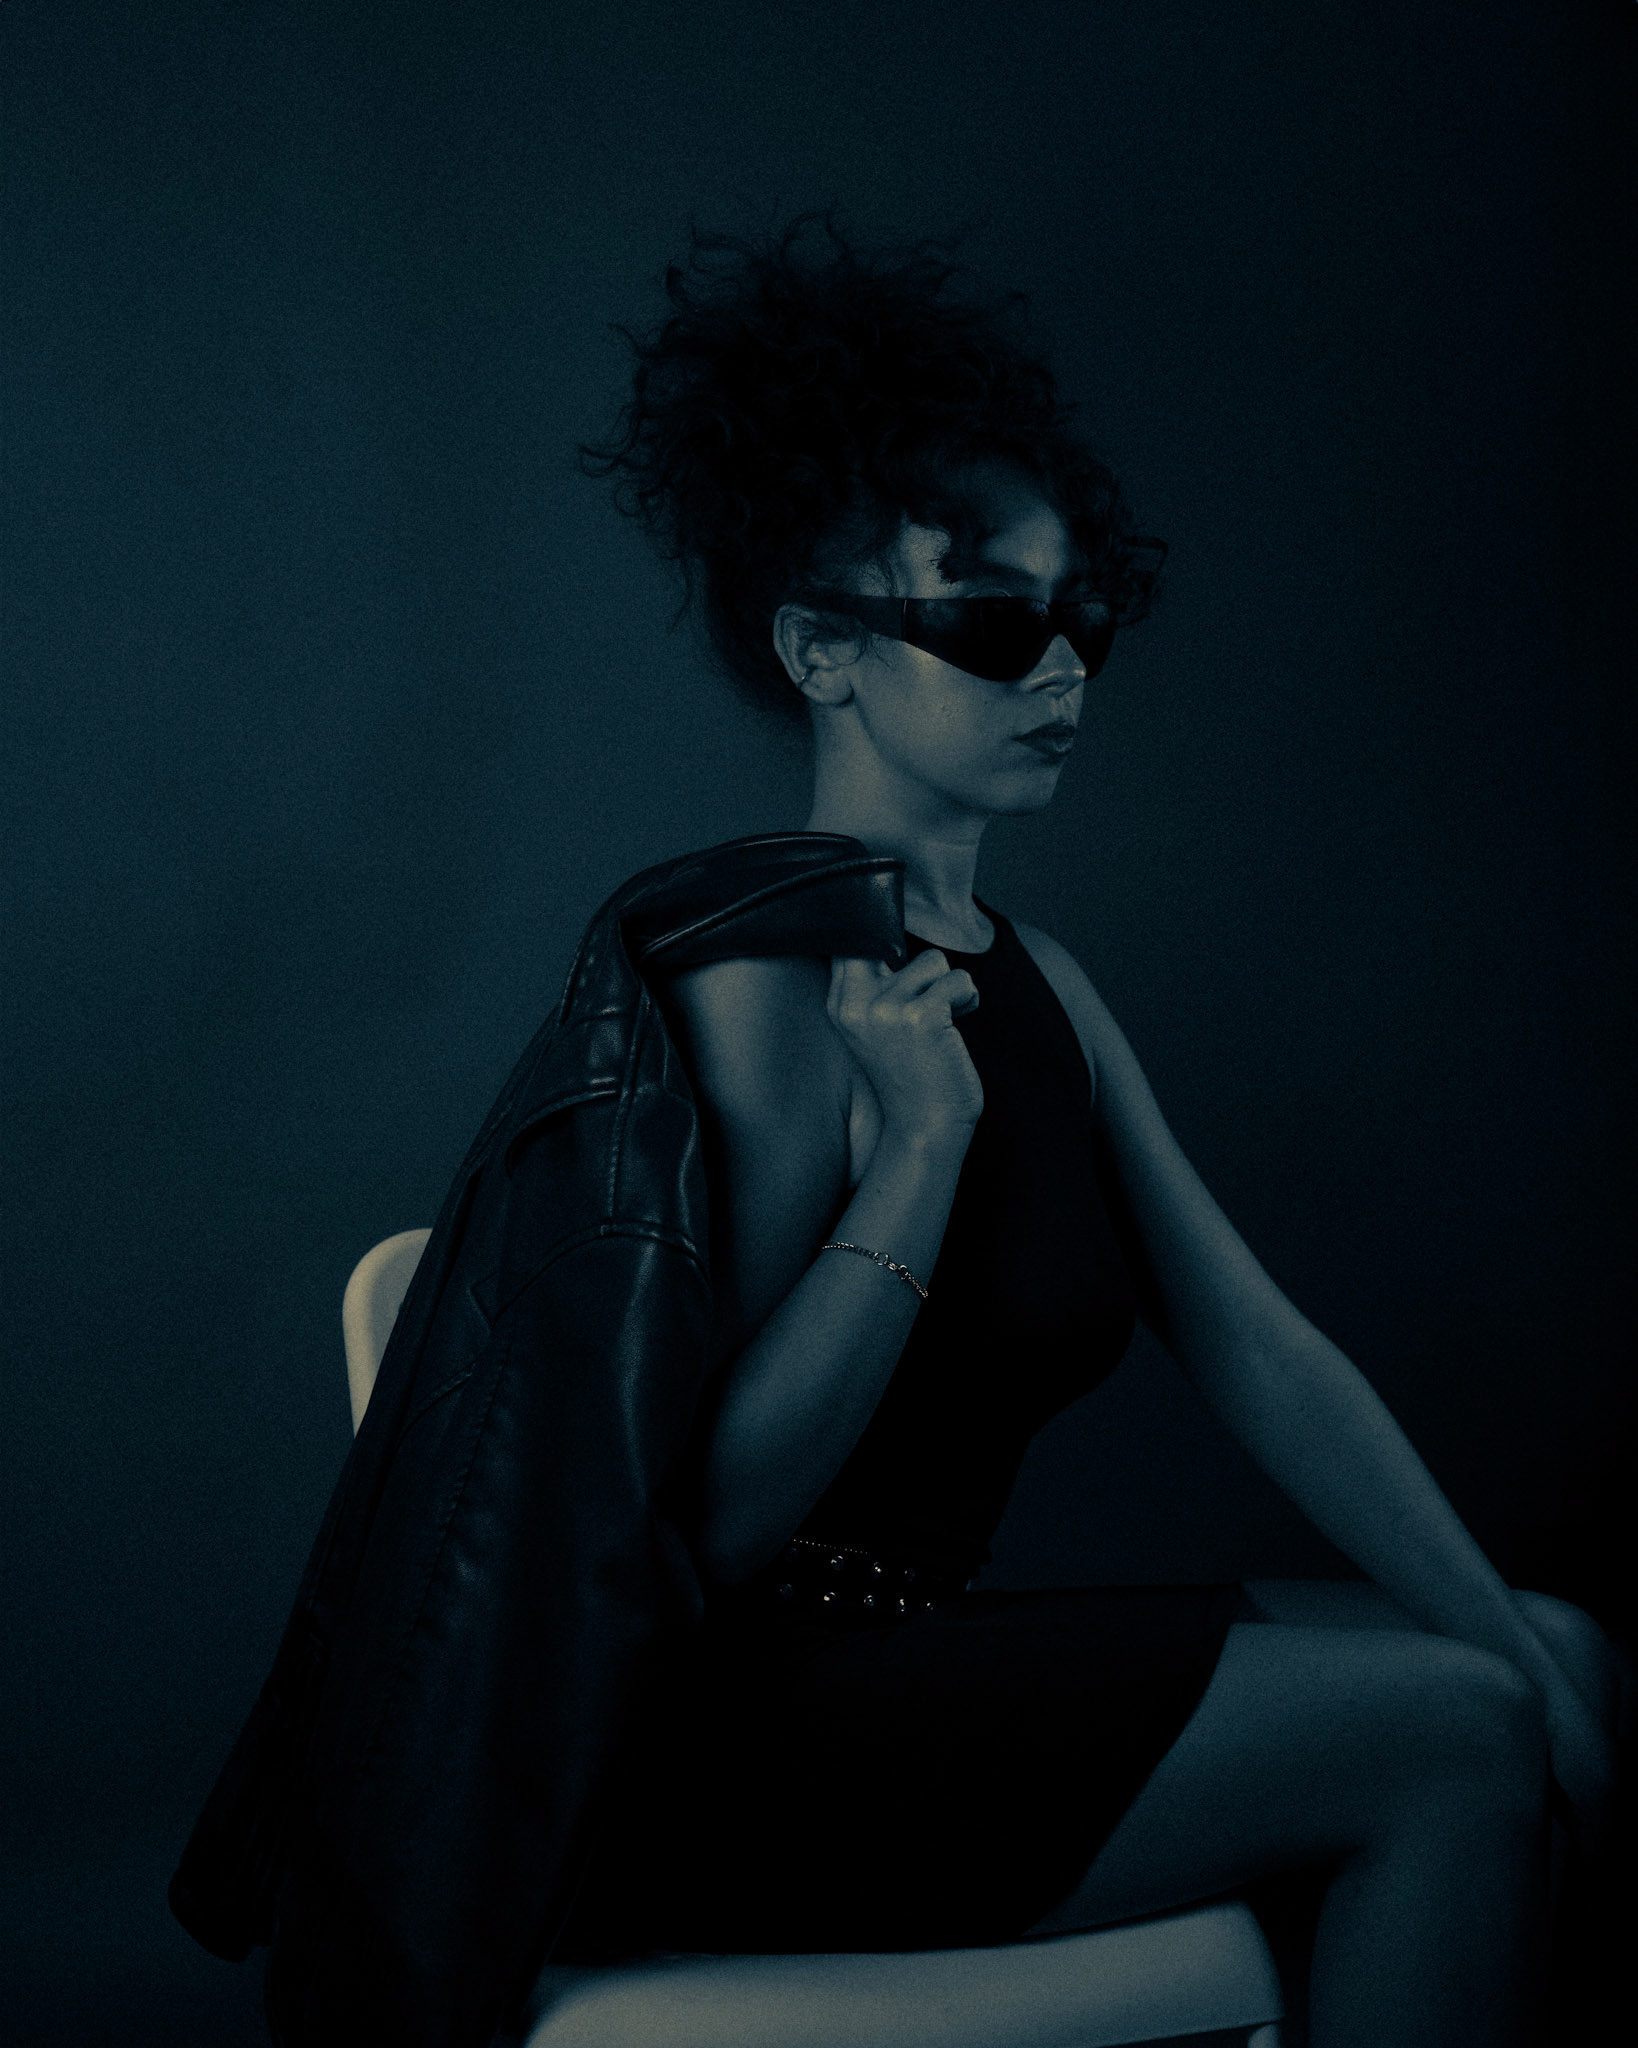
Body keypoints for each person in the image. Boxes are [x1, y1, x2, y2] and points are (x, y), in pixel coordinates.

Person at [549, 218, 1621, 2047]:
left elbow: (1264, 1354)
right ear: (818, 651)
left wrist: (1524, 1647)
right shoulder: (759, 978)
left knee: (1550, 1650)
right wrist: (917, 1155)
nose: (1057, 668)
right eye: (988, 621)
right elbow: (705, 1529)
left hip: (921, 1673)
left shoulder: (1037, 978)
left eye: (1081, 615)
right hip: (723, 1731)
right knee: (1457, 1730)